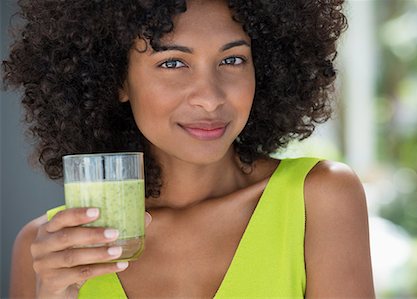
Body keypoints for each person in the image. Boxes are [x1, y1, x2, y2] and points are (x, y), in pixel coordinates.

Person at [3, 0, 375, 298]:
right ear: (118, 80)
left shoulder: (319, 199)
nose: (210, 98)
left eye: (232, 59)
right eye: (173, 62)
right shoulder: (49, 250)